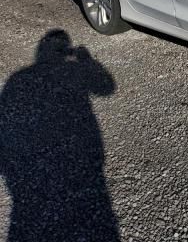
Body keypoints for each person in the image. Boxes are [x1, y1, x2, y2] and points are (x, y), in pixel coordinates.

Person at [0, 30, 120, 241]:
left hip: (33, 184)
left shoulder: (18, 80)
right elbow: (107, 87)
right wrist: (87, 61)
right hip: (84, 165)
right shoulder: (28, 78)